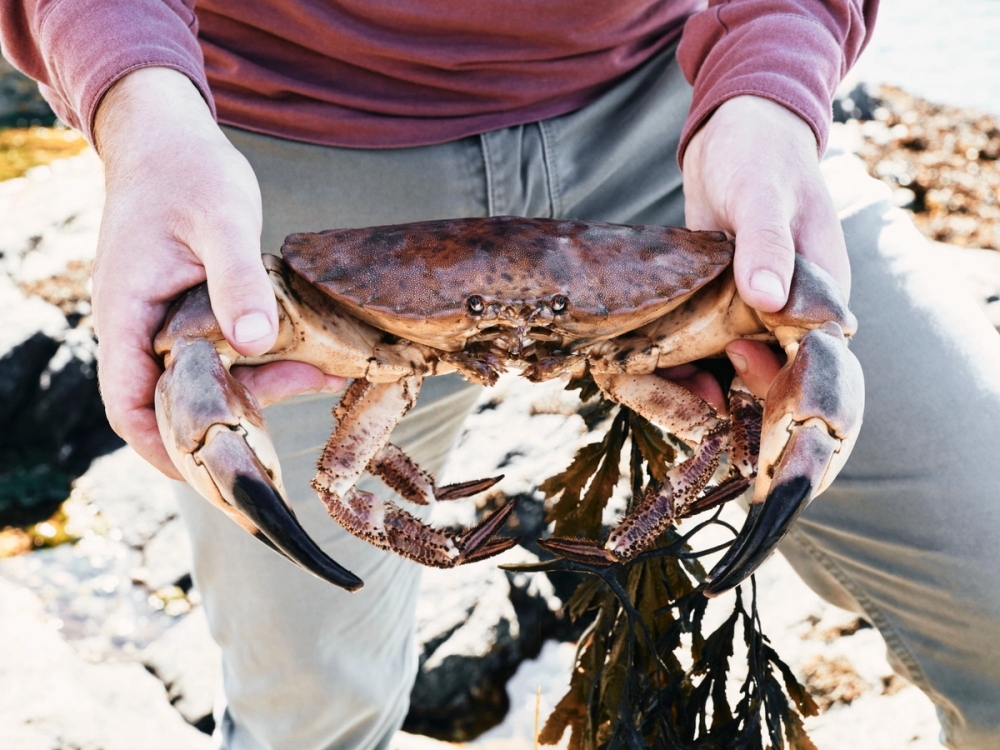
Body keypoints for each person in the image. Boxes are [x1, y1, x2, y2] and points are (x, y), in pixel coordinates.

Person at [3, 1, 999, 748]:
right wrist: (141, 114)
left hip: (691, 128)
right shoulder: (285, 268)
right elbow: (202, 366)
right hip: (272, 176)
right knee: (302, 713)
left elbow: (814, 331)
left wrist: (770, 91)